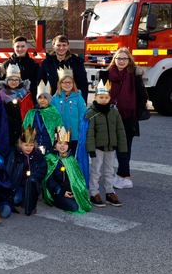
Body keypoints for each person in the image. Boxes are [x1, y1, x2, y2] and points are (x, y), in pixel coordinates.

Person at [104, 48, 148, 189]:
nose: (121, 61)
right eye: (119, 58)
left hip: (128, 118)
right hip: (110, 117)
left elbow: (143, 96)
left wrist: (135, 114)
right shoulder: (107, 75)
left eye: (124, 58)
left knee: (124, 148)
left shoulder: (134, 75)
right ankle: (120, 176)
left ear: (129, 60)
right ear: (114, 60)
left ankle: (125, 176)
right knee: (112, 148)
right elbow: (101, 95)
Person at [84, 79, 127, 208]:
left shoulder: (114, 112)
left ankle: (109, 192)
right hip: (97, 148)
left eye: (106, 97)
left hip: (111, 148)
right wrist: (90, 149)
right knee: (96, 171)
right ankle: (94, 193)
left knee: (109, 171)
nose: (103, 99)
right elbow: (90, 133)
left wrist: (122, 148)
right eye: (101, 97)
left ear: (110, 98)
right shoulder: (91, 113)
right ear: (95, 97)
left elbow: (120, 130)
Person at [42, 127, 92, 214]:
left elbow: (77, 178)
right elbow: (48, 180)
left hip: (69, 190)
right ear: (55, 145)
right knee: (74, 207)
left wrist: (75, 190)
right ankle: (56, 200)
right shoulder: (50, 159)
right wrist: (61, 191)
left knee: (82, 203)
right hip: (57, 191)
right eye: (60, 143)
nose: (62, 146)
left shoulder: (71, 159)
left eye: (65, 144)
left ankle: (70, 197)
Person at [4, 127, 47, 216]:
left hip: (31, 184)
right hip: (18, 184)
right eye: (26, 145)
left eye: (31, 145)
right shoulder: (14, 155)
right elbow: (8, 171)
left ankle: (30, 201)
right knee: (16, 200)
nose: (29, 148)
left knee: (30, 187)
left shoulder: (38, 156)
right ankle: (24, 199)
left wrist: (34, 176)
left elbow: (42, 170)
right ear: (20, 144)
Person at [37, 35, 88, 102]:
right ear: (53, 46)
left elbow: (83, 85)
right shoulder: (47, 63)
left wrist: (83, 103)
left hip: (71, 102)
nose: (61, 48)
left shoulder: (76, 62)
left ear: (68, 46)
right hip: (51, 102)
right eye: (58, 45)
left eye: (64, 45)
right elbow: (40, 83)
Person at [50, 67, 87, 152]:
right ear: (60, 84)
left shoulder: (78, 98)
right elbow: (52, 116)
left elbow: (82, 115)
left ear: (73, 83)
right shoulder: (55, 98)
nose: (67, 85)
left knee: (72, 156)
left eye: (69, 82)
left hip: (74, 134)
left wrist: (81, 130)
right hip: (60, 134)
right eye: (64, 82)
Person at [0, 63, 33, 150]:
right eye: (11, 80)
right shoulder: (1, 94)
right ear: (6, 81)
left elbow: (30, 110)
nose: (13, 82)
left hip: (21, 126)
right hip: (7, 126)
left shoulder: (25, 94)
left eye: (16, 80)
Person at [23, 81, 63, 153]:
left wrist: (57, 143)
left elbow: (59, 129)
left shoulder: (54, 113)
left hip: (49, 146)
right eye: (40, 98)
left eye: (45, 98)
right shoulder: (31, 113)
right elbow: (26, 129)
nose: (42, 100)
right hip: (34, 146)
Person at [2, 36, 40, 101]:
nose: (20, 49)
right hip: (10, 101)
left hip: (28, 101)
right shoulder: (6, 65)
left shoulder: (34, 65)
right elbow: (2, 84)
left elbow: (37, 85)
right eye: (17, 47)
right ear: (13, 47)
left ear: (27, 47)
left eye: (22, 46)